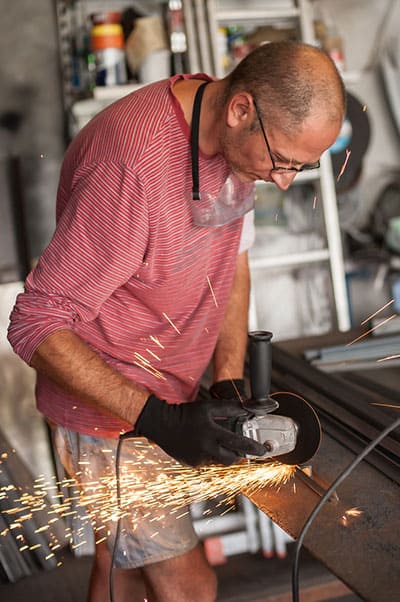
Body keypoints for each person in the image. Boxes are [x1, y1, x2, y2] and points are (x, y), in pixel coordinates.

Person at [8, 41, 345, 602]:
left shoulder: (238, 144)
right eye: (283, 161)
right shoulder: (132, 166)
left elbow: (231, 259)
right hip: (110, 417)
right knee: (190, 586)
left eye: (300, 166)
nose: (284, 181)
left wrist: (228, 377)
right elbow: (36, 321)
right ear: (240, 109)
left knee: (120, 567)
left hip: (170, 399)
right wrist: (158, 421)